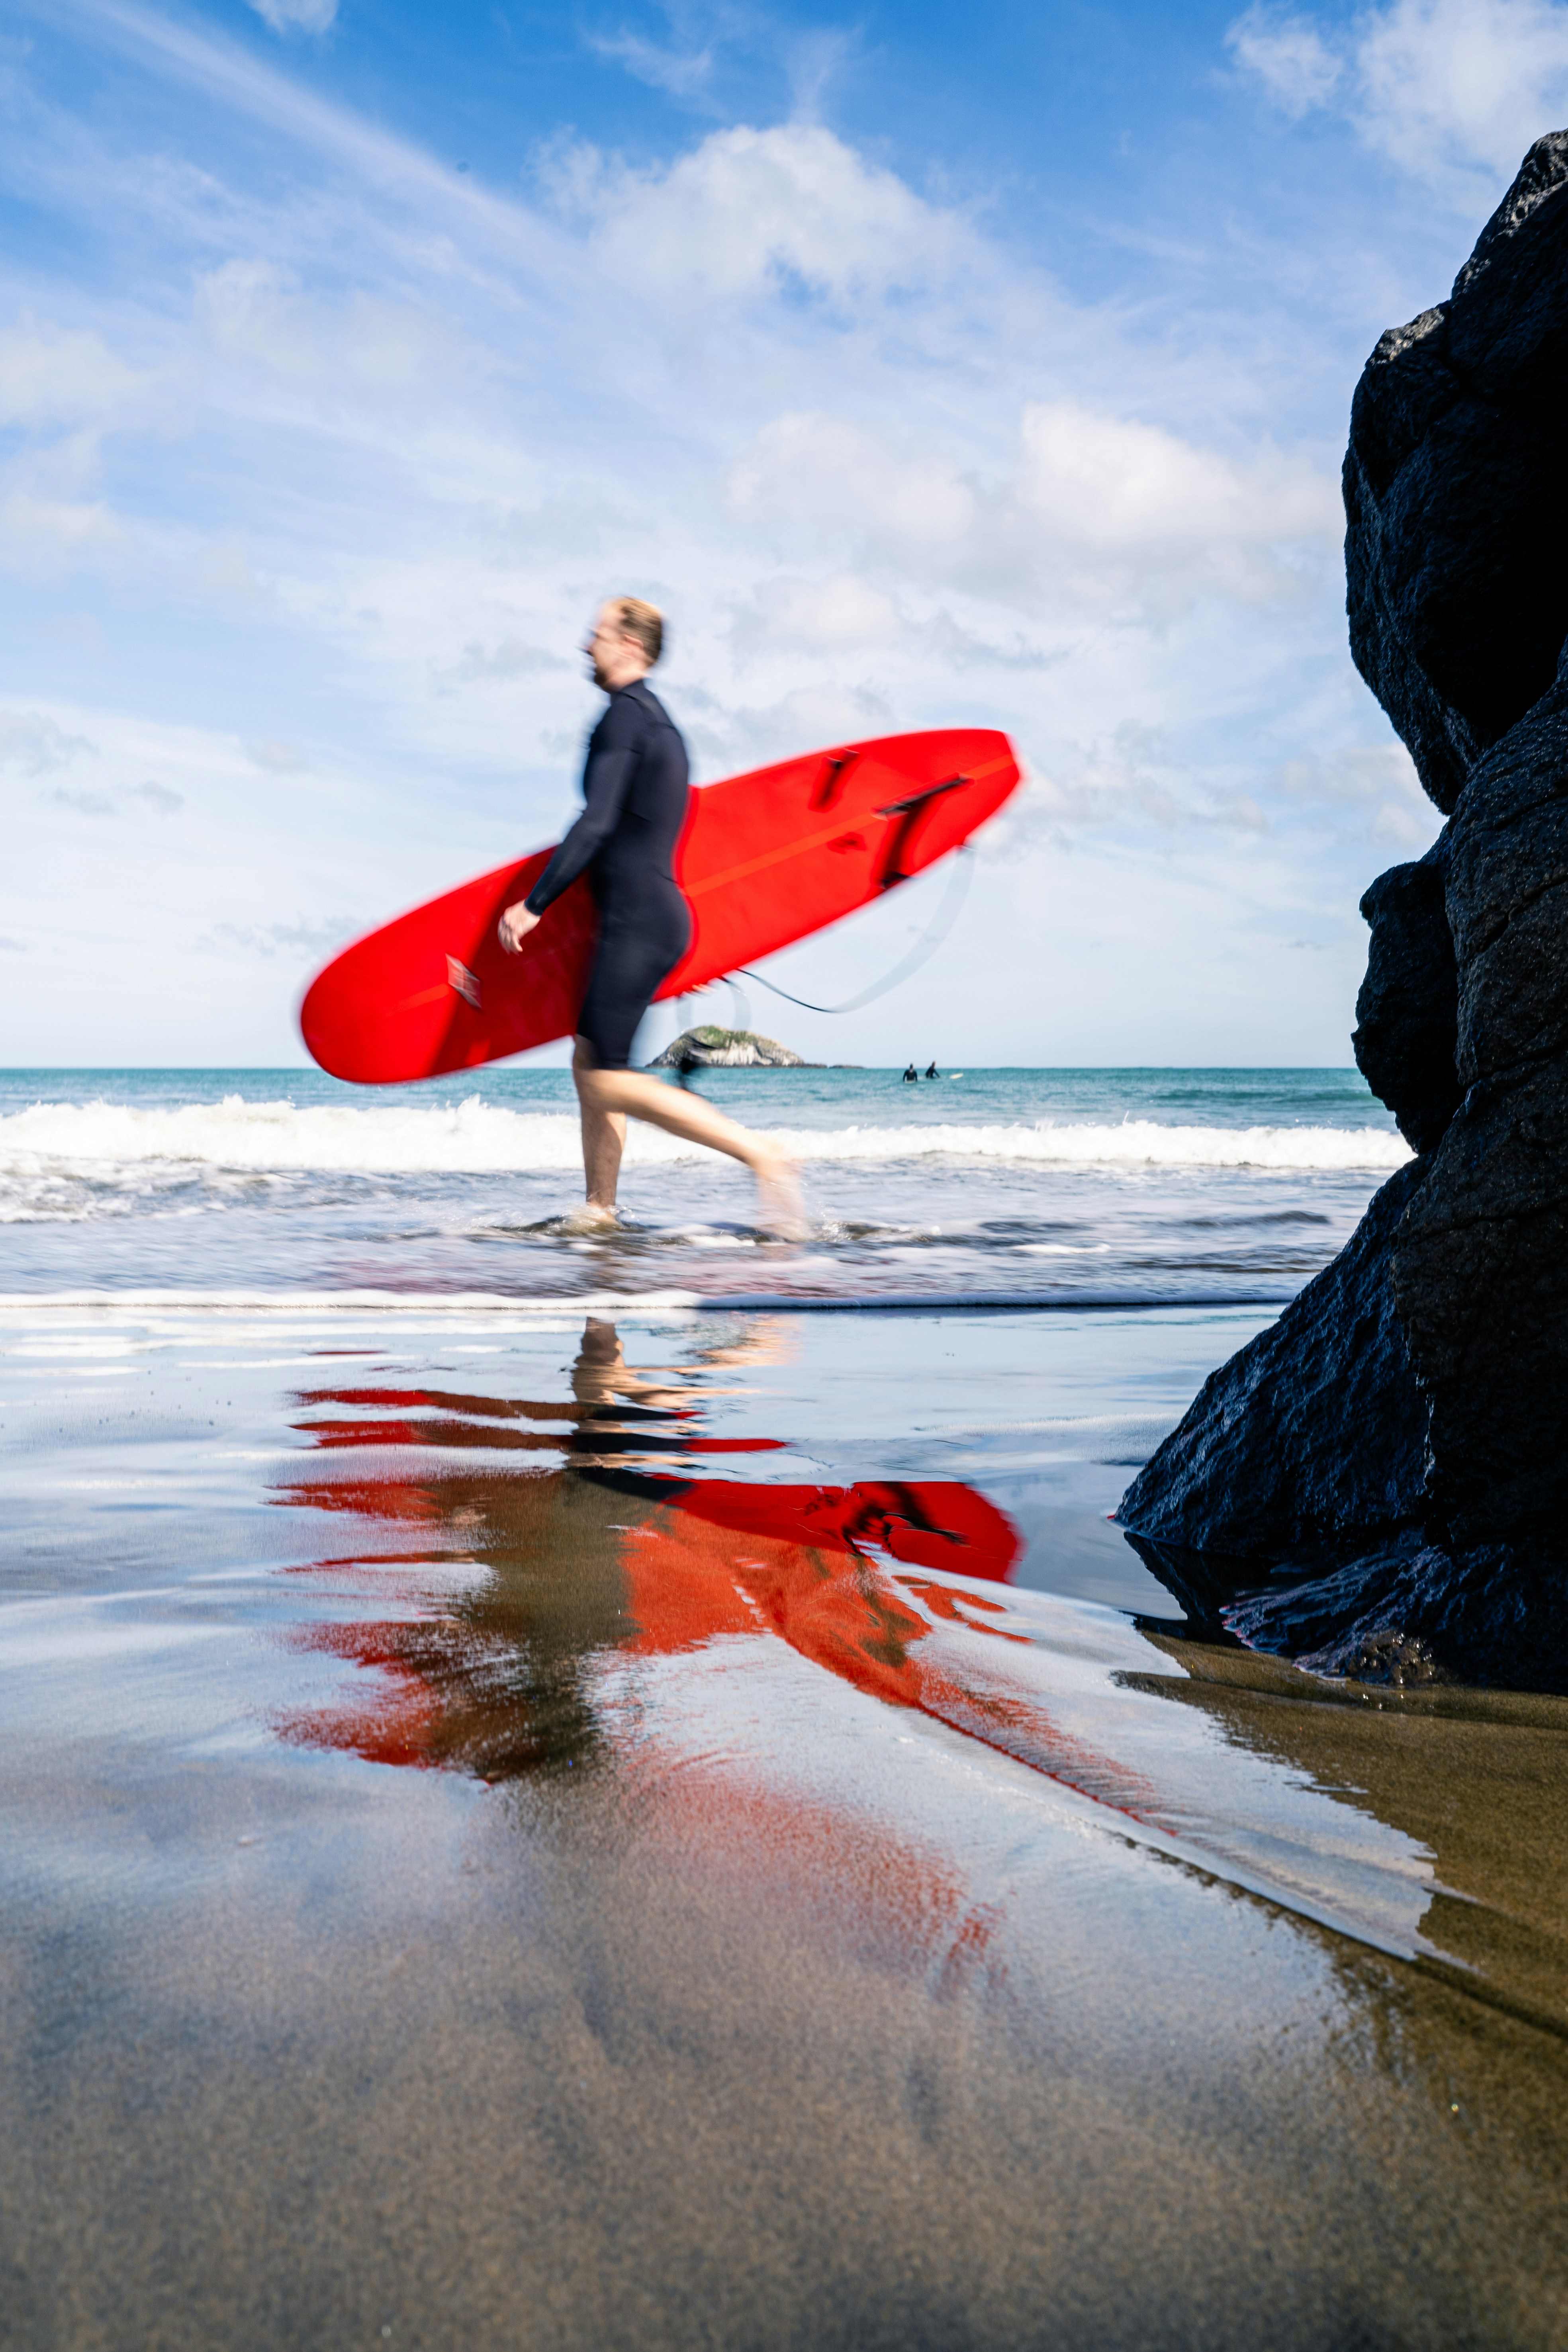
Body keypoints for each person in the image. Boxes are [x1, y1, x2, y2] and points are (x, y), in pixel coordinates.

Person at [498, 598, 805, 1238]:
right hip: (652, 917)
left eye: (599, 634)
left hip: (637, 922)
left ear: (631, 645)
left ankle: (761, 1154)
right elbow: (664, 837)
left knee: (605, 1078)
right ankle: (600, 1209)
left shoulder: (622, 718)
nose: (588, 645)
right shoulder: (662, 726)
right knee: (592, 1061)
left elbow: (599, 822)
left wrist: (535, 903)